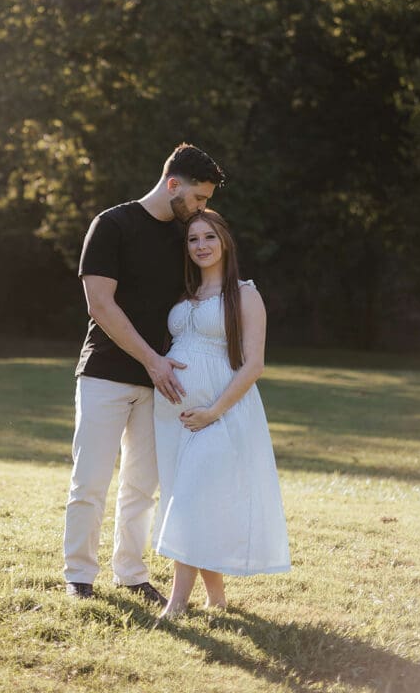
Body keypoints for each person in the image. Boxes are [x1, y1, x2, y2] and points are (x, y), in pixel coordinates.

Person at [63, 144, 226, 603]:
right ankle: (79, 576)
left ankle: (131, 573)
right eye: (197, 198)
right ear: (173, 184)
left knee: (143, 487)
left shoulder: (184, 238)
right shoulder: (112, 225)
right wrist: (151, 360)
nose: (201, 210)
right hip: (105, 373)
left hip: (163, 383)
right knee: (90, 480)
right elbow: (100, 304)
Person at [153, 208, 290, 617]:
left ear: (225, 241)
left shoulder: (245, 295)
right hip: (172, 415)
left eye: (208, 237)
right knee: (194, 498)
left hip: (220, 412)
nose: (201, 246)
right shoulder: (184, 295)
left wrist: (213, 411)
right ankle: (216, 597)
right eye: (193, 239)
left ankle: (177, 601)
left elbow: (254, 365)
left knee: (193, 498)